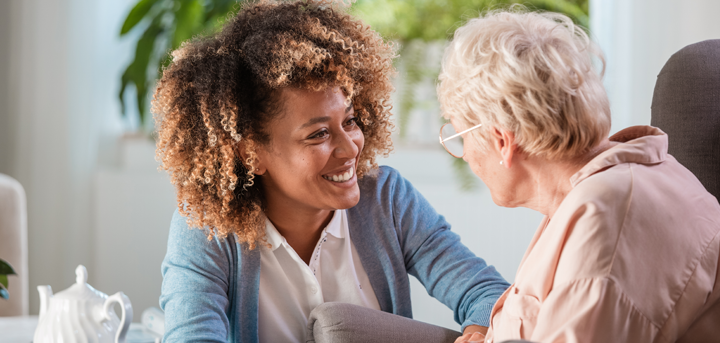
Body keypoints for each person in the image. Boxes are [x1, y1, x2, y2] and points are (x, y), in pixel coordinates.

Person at [153, 1, 509, 342]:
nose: (352, 146)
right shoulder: (206, 230)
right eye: (318, 134)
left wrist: (480, 332)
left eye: (350, 121)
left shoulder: (386, 199)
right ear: (251, 154)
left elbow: (487, 293)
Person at [437, 8, 720, 343]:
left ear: (502, 141)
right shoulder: (597, 192)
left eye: (460, 137)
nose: (466, 154)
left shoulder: (607, 219)